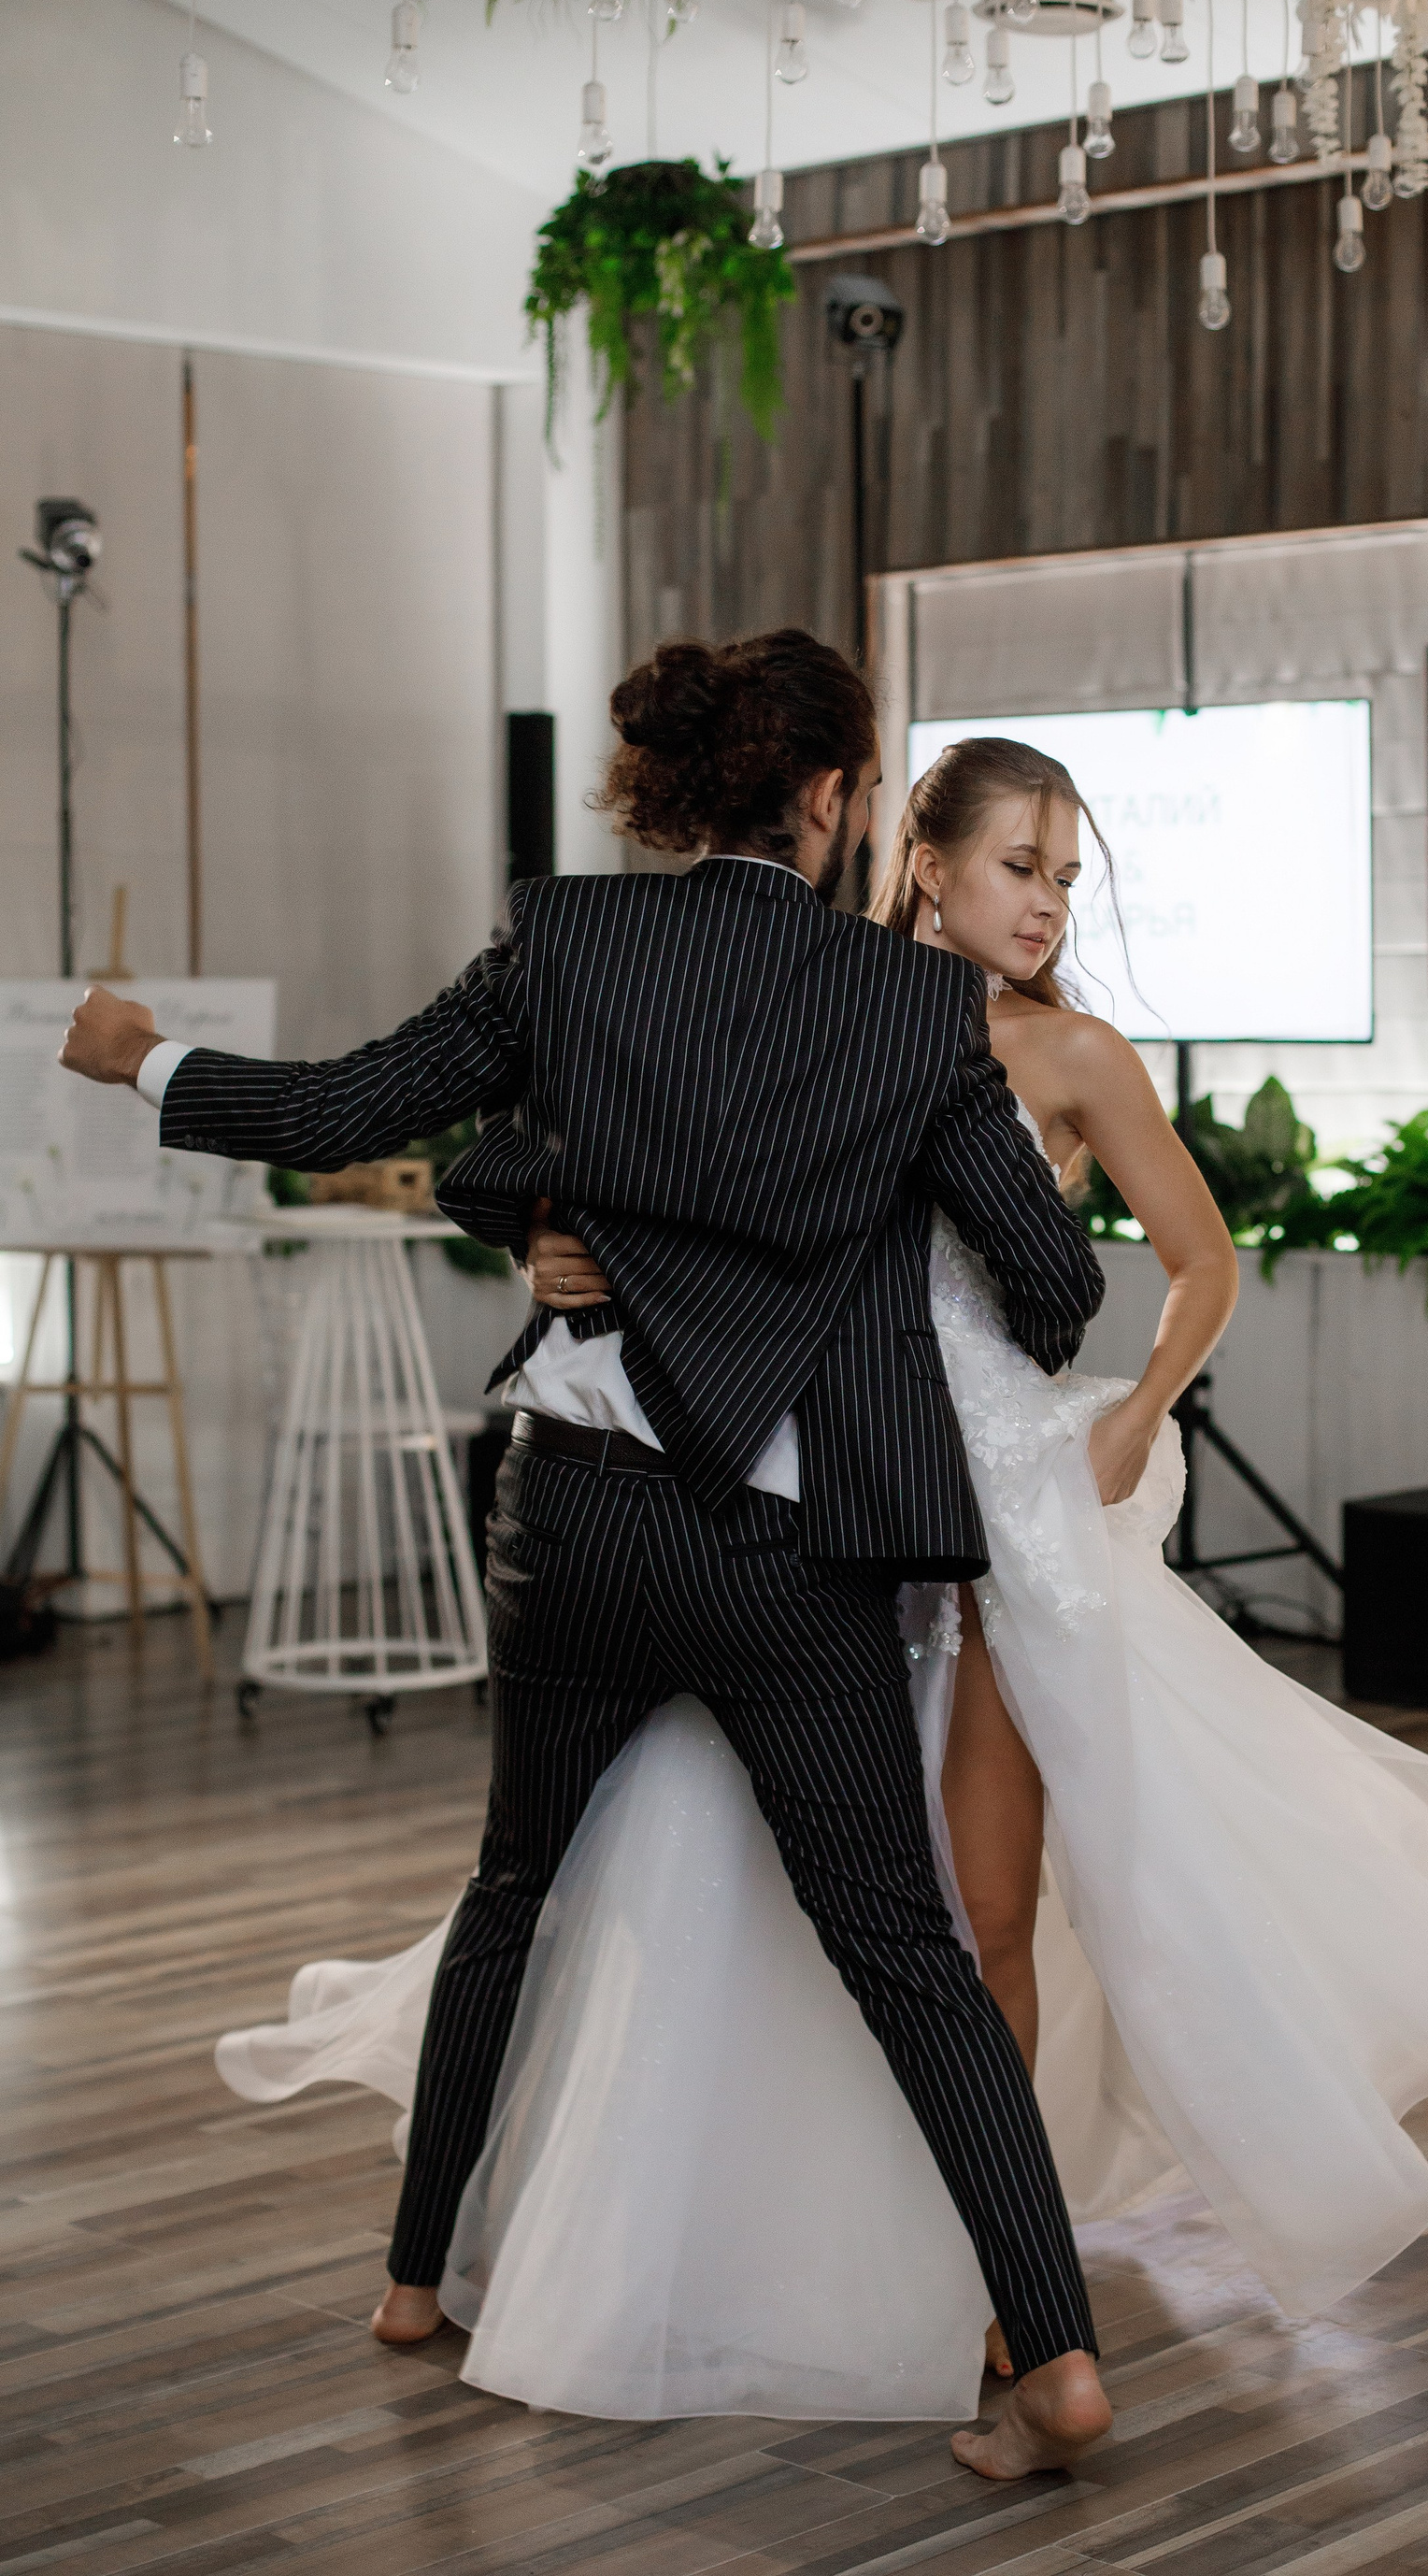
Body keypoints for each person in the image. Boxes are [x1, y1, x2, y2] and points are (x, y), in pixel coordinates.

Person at [214, 736, 1428, 2457]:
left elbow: (1196, 1262)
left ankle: (1015, 2306)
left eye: (1067, 877)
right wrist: (549, 1235)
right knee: (741, 1905)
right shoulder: (815, 996)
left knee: (977, 1923)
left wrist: (1139, 1413)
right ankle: (760, 2247)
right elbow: (637, 1162)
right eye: (1020, 867)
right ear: (919, 858)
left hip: (989, 1519)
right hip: (804, 1511)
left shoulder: (1073, 1053)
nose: (1047, 904)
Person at [59, 630, 1116, 2482]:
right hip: (793, 1555)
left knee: (511, 1891)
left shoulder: (567, 945)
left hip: (579, 1520)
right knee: (909, 1960)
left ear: (685, 786)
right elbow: (1051, 1286)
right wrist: (850, 1257)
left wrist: (143, 1059)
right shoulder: (910, 1008)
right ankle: (1059, 2360)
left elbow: (335, 1113)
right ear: (831, 798)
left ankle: (413, 2281)